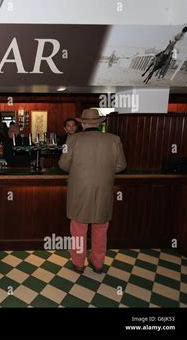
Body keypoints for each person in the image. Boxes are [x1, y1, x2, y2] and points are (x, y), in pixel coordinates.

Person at [58, 108, 126, 274]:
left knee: (79, 229)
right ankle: (98, 263)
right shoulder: (114, 139)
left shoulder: (72, 140)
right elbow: (121, 165)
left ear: (82, 123)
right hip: (103, 190)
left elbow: (63, 164)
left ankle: (79, 263)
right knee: (101, 229)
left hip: (80, 191)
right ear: (98, 123)